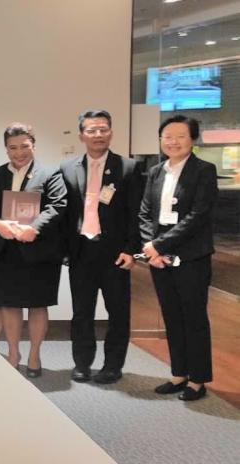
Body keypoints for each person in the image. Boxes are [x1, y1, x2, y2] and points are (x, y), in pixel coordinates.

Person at [139, 115, 218, 402]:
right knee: (171, 315)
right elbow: (145, 212)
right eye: (167, 136)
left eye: (180, 136)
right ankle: (179, 374)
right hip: (160, 258)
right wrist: (151, 247)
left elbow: (198, 216)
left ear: (193, 139)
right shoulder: (156, 171)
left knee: (193, 317)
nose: (173, 142)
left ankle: (198, 380)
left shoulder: (204, 171)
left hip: (191, 256)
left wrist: (158, 245)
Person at [60, 111, 141, 384]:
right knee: (82, 312)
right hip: (81, 252)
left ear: (111, 133)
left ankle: (112, 366)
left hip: (115, 254)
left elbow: (135, 213)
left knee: (118, 312)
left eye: (103, 129)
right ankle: (82, 364)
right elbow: (64, 213)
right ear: (81, 135)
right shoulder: (67, 168)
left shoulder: (128, 167)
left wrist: (131, 250)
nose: (98, 135)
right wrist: (64, 250)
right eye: (92, 130)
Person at [0, 122, 66, 377]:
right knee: (10, 305)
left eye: (24, 146)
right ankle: (14, 353)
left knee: (38, 305)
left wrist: (35, 228)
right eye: (13, 147)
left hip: (39, 251)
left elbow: (57, 205)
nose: (19, 152)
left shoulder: (50, 173)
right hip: (6, 250)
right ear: (6, 149)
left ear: (33, 145)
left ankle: (34, 355)